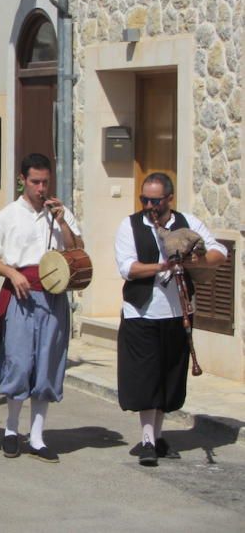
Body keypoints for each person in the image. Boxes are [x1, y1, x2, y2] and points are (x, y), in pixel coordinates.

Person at [114, 172, 227, 466]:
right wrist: (162, 265)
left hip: (178, 313)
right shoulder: (130, 225)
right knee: (146, 379)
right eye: (145, 199)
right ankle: (147, 439)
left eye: (155, 200)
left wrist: (192, 261)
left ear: (169, 198)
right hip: (142, 312)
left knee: (168, 378)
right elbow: (128, 268)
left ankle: (158, 437)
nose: (149, 205)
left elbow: (220, 252)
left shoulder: (187, 223)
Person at [0, 153, 83, 464]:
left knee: (47, 363)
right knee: (18, 361)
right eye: (35, 182)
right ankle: (11, 430)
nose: (41, 188)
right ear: (23, 181)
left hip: (53, 295)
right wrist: (12, 274)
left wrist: (62, 220)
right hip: (21, 294)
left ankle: (38, 436)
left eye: (45, 182)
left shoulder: (59, 213)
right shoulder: (9, 214)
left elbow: (77, 249)